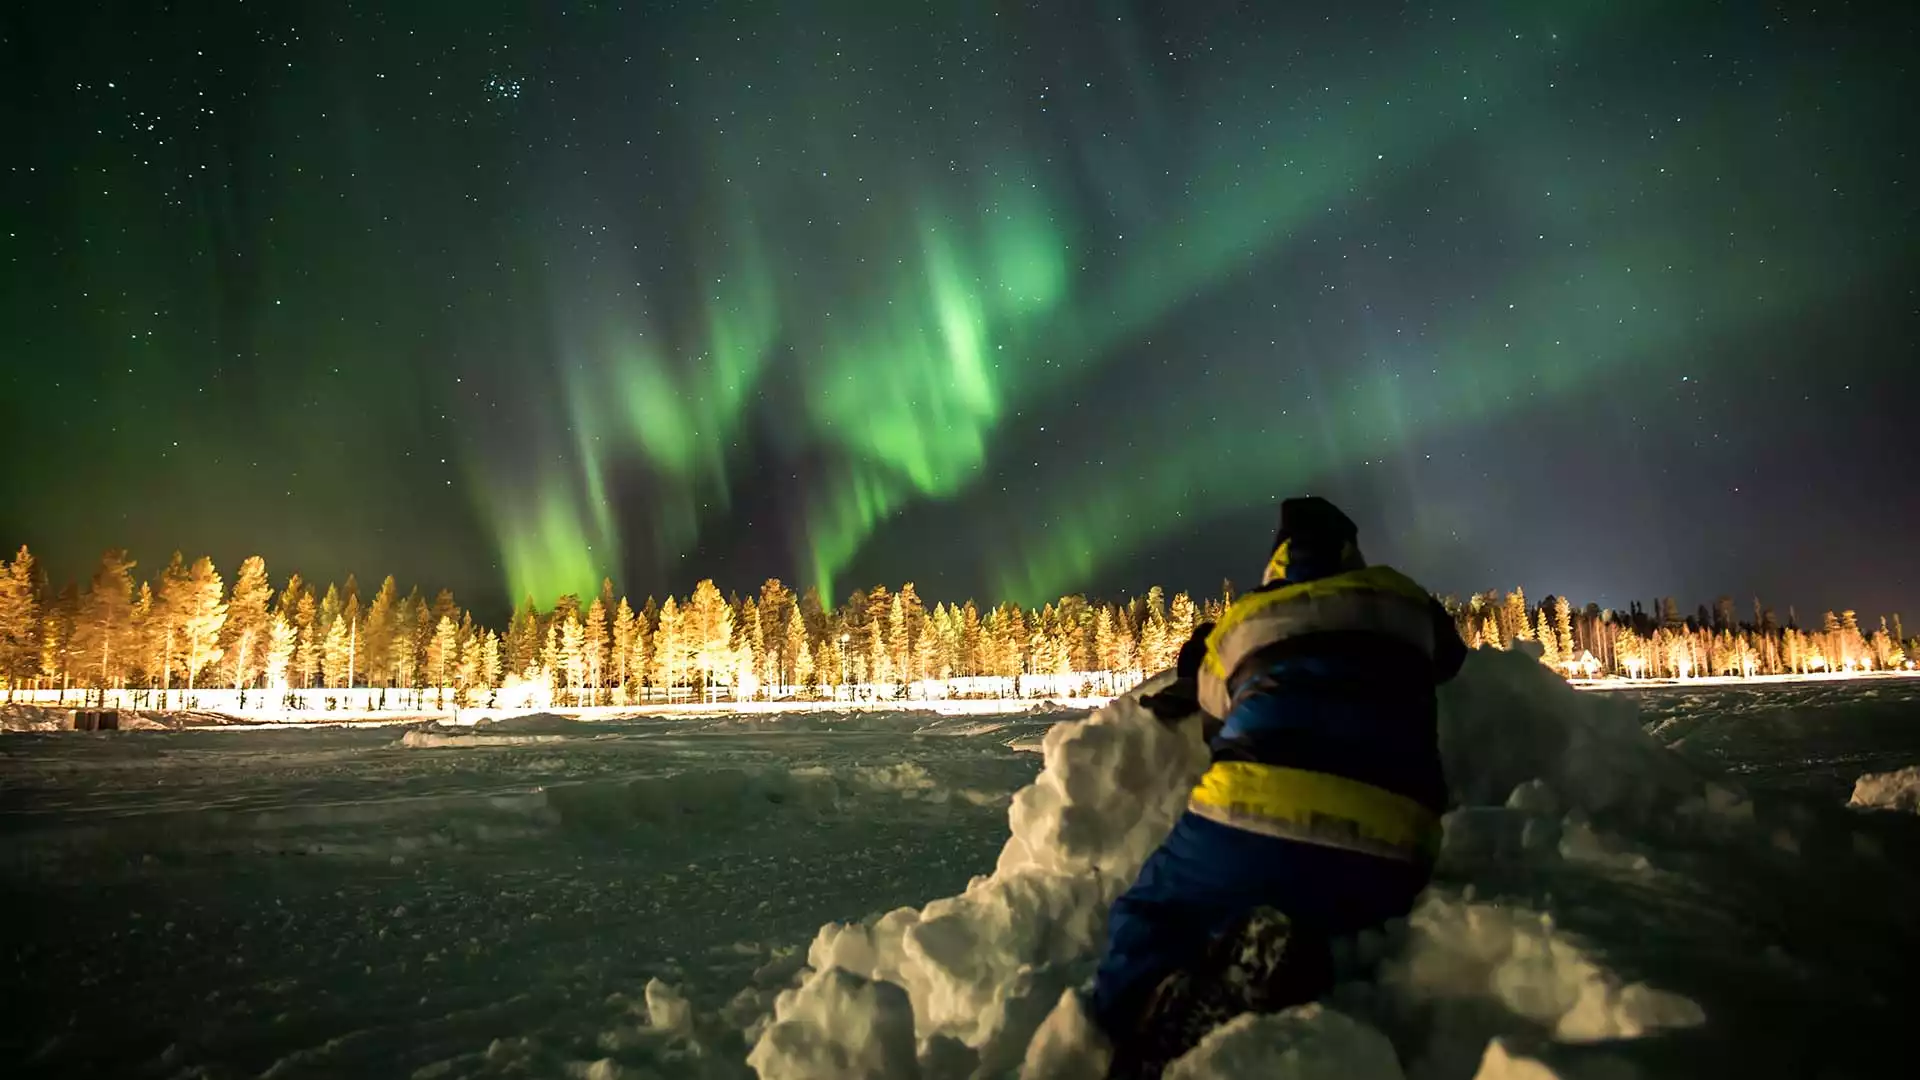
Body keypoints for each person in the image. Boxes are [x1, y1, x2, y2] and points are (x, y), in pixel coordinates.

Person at [1090, 496, 1467, 1077]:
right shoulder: (1406, 598)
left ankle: (1149, 1009)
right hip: (1398, 852)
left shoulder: (1244, 620)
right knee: (1328, 897)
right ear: (1351, 552)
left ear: (1278, 561)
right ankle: (1298, 954)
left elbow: (1215, 720)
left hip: (1257, 822)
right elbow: (1451, 657)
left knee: (1151, 911)